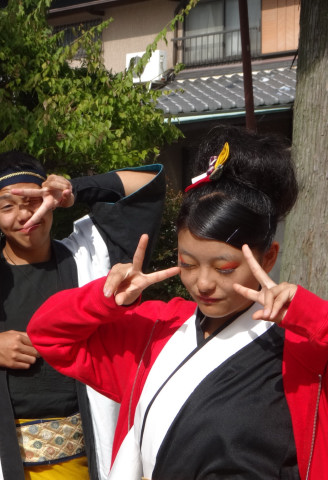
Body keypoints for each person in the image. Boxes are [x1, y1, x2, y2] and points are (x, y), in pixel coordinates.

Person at [27, 125, 328, 479]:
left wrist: (309, 314)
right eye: (188, 263)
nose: (203, 283)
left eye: (225, 268)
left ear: (268, 257)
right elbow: (48, 334)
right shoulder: (160, 328)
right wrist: (105, 299)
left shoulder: (300, 344)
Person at [0, 151, 166, 480]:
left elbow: (148, 183)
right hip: (0, 457)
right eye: (8, 206)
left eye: (34, 200)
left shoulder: (90, 254)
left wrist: (73, 189)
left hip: (91, 452)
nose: (26, 214)